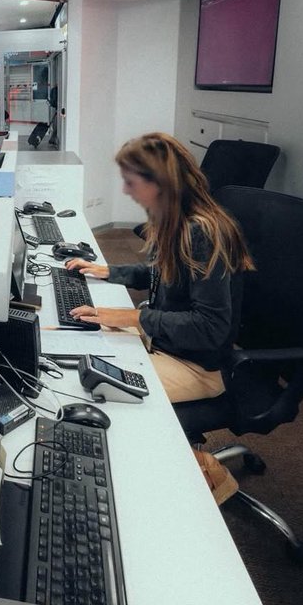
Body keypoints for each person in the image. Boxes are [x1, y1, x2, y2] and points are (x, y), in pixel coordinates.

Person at [64, 131, 254, 505]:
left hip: (199, 365)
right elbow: (161, 274)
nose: (126, 190)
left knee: (100, 395)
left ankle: (206, 471)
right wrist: (109, 272)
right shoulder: (175, 219)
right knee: (87, 356)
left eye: (132, 182)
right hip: (168, 343)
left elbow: (210, 327)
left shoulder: (201, 232)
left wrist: (135, 317)